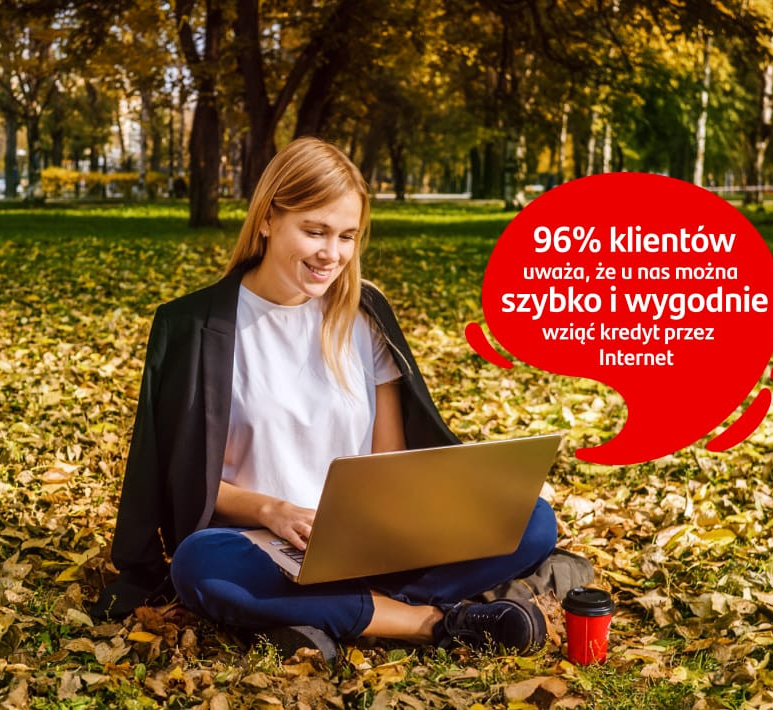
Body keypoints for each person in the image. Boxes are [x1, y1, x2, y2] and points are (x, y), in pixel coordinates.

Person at [90, 137, 591, 660]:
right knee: (198, 565)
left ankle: (333, 614)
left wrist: (396, 523)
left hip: (368, 541)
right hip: (260, 544)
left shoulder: (362, 314)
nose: (332, 254)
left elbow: (389, 459)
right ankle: (433, 622)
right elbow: (184, 480)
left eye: (347, 236)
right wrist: (273, 510)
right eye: (315, 231)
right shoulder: (193, 327)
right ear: (266, 220)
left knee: (532, 518)